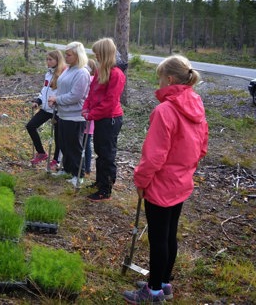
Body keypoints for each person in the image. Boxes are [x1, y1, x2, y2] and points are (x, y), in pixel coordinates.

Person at [123, 55, 208, 304]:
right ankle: (162, 282)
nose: (158, 83)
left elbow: (153, 157)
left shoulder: (165, 110)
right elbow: (202, 146)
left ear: (169, 79)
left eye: (160, 78)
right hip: (182, 181)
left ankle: (154, 291)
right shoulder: (196, 103)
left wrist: (141, 181)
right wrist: (186, 168)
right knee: (169, 234)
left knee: (158, 238)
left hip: (162, 184)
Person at [82, 37, 125, 201]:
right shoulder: (101, 71)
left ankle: (106, 188)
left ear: (105, 53)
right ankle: (100, 182)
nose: (96, 57)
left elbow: (110, 101)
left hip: (110, 119)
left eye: (98, 53)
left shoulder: (116, 74)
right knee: (100, 151)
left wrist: (92, 114)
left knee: (107, 154)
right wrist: (86, 107)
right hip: (101, 117)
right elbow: (92, 92)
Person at [47, 42, 90, 186]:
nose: (66, 57)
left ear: (78, 55)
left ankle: (79, 174)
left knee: (74, 147)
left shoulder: (82, 72)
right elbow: (61, 88)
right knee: (64, 145)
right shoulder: (68, 69)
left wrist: (57, 99)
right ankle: (67, 169)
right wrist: (55, 99)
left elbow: (75, 96)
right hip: (63, 114)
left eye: (69, 54)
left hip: (75, 116)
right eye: (66, 54)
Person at [26, 49, 67, 168]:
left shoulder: (63, 74)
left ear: (57, 60)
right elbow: (44, 90)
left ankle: (56, 160)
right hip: (45, 108)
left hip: (57, 109)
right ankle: (41, 153)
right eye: (47, 59)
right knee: (30, 126)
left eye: (50, 59)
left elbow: (63, 92)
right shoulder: (48, 73)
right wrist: (38, 101)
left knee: (58, 137)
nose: (48, 62)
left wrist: (57, 101)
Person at [83, 58, 97, 176]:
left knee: (85, 143)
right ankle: (86, 167)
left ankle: (86, 167)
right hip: (88, 116)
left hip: (88, 117)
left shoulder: (90, 80)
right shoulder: (92, 80)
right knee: (86, 142)